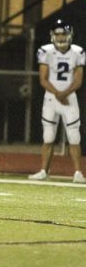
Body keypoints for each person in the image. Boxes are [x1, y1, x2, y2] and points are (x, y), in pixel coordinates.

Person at [29, 20, 85, 183]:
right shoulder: (46, 51)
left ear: (69, 35)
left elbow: (78, 80)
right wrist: (59, 94)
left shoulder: (78, 52)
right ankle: (44, 171)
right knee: (48, 136)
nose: (60, 37)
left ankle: (78, 173)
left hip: (69, 98)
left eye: (63, 34)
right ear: (53, 35)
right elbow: (43, 79)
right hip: (51, 99)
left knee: (74, 137)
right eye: (58, 34)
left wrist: (64, 94)